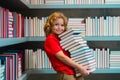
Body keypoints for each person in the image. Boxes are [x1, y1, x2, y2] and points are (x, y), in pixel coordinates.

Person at [44, 12, 90, 80]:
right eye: (56, 24)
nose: (60, 27)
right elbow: (62, 57)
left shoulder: (60, 38)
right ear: (50, 26)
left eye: (62, 25)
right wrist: (80, 67)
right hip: (66, 73)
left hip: (73, 71)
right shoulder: (50, 39)